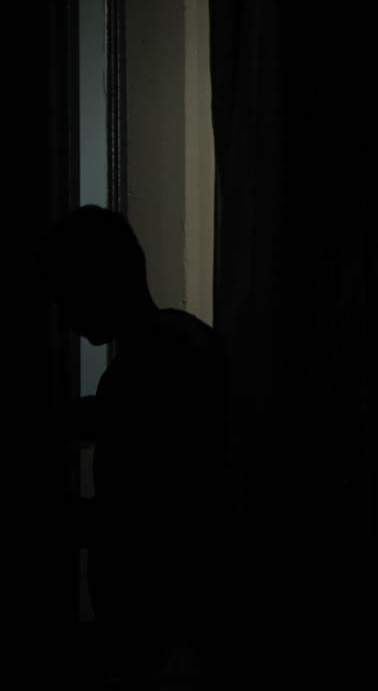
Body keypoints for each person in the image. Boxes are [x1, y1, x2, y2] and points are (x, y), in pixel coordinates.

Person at [35, 206, 230, 672]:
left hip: (163, 632)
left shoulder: (152, 369)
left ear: (101, 283)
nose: (65, 318)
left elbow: (145, 515)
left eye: (68, 297)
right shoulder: (179, 343)